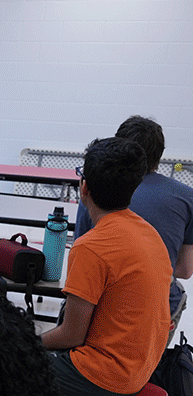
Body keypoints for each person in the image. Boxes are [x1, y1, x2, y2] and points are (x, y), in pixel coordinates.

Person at [42, 137, 172, 396]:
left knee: (5, 363)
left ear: (84, 187)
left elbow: (71, 335)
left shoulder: (90, 247)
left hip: (108, 375)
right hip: (143, 370)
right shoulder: (149, 233)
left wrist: (24, 341)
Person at [75, 115, 193, 330]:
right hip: (157, 312)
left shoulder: (96, 189)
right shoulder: (187, 197)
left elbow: (78, 264)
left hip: (102, 304)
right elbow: (185, 270)